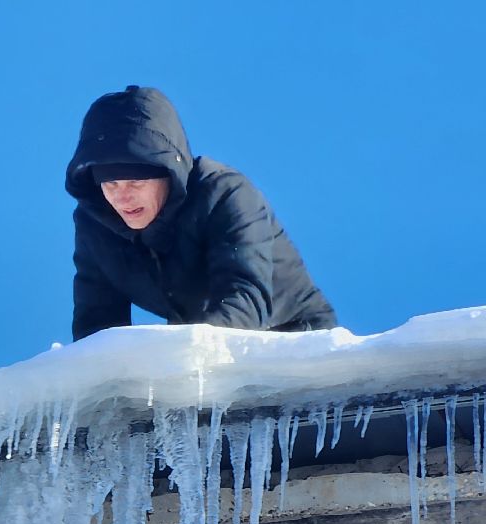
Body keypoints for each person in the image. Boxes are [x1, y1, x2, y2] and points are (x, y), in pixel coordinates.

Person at [66, 85, 337, 341]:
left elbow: (244, 296)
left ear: (168, 176)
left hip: (300, 345)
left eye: (136, 183)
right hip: (204, 353)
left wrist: (184, 361)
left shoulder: (224, 194)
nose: (122, 197)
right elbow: (97, 323)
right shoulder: (97, 224)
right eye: (111, 184)